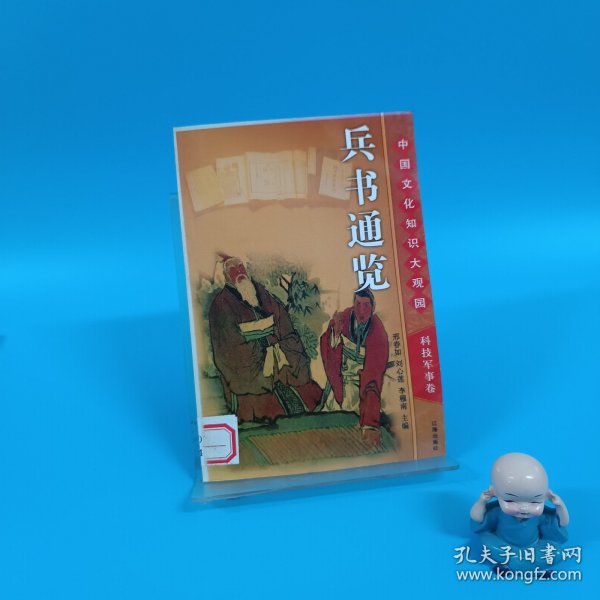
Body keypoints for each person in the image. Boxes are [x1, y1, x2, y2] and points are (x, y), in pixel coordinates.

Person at [208, 256, 322, 423]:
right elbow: (227, 346)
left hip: (279, 357)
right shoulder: (221, 304)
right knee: (263, 405)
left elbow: (282, 321)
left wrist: (281, 348)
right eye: (233, 270)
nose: (239, 273)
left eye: (241, 268)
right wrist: (263, 355)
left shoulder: (261, 293)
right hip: (251, 364)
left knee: (307, 392)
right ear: (226, 276)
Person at [470, 453, 569, 573]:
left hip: (533, 548)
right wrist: (481, 501)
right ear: (495, 493)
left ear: (544, 497)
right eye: (511, 501)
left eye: (534, 502)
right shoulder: (498, 511)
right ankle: (532, 568)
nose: (523, 508)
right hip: (505, 546)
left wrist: (559, 506)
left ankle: (512, 566)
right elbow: (477, 519)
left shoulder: (541, 516)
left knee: (556, 553)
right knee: (486, 541)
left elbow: (562, 524)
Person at [320, 289, 389, 444]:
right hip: (341, 380)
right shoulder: (344, 317)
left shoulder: (378, 333)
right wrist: (335, 333)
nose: (361, 311)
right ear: (353, 304)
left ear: (373, 308)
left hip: (361, 383)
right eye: (358, 304)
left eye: (366, 305)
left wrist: (370, 424)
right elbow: (326, 344)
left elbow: (373, 376)